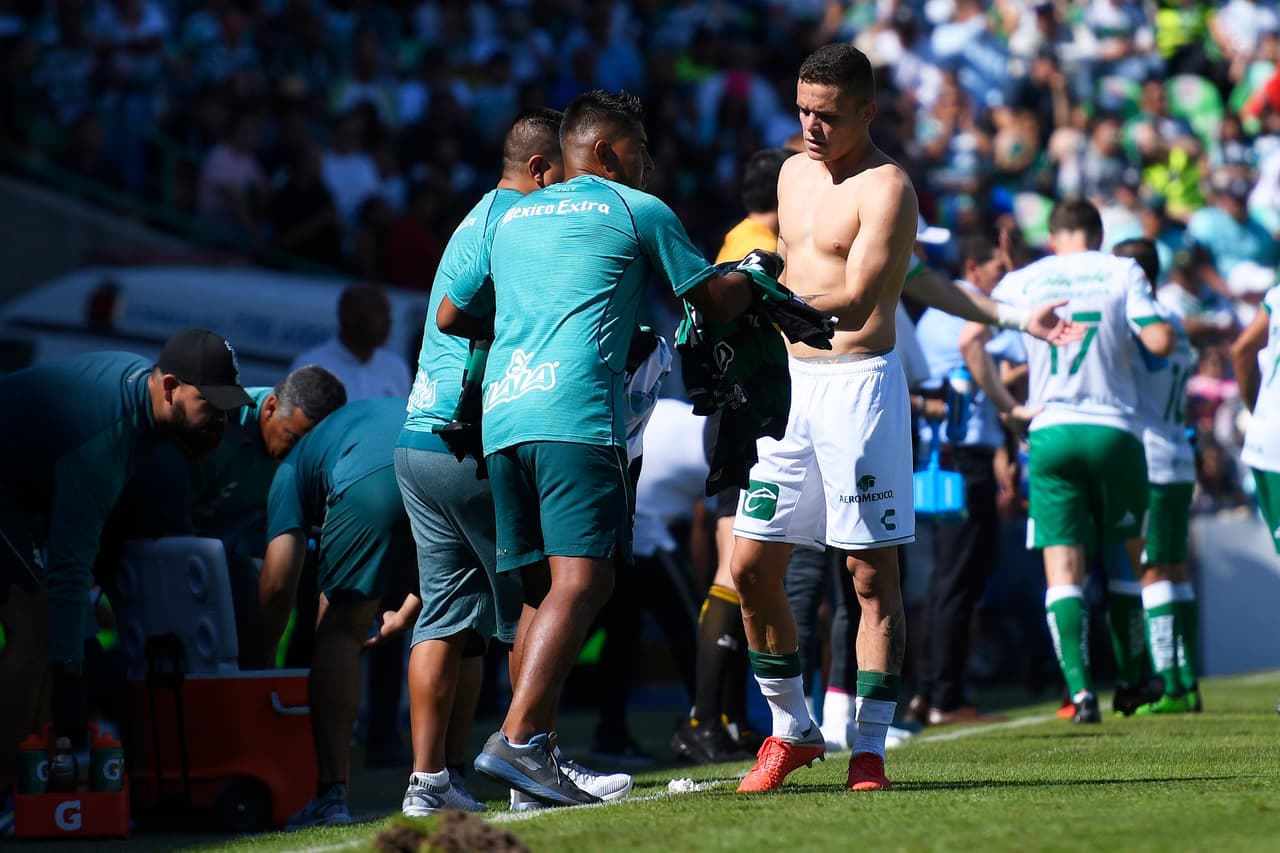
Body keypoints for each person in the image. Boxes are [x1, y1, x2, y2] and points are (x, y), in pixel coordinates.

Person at [728, 44, 1078, 796]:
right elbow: (890, 274)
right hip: (791, 389)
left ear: (866, 111)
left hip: (861, 389)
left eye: (826, 114)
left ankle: (869, 752)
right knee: (750, 568)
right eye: (801, 110)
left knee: (867, 577)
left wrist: (754, 302)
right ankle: (790, 731)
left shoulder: (889, 186)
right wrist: (758, 281)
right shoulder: (791, 172)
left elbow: (861, 295)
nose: (810, 126)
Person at [438, 89, 758, 807]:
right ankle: (519, 740)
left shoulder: (512, 216)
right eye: (640, 148)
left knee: (540, 594)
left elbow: (452, 313)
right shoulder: (638, 209)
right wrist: (762, 278)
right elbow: (715, 302)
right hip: (577, 416)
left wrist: (535, 306)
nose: (650, 161)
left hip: (505, 418)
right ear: (607, 151)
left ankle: (533, 764)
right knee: (586, 581)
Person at [396, 107, 629, 817]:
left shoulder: (477, 215)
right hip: (474, 434)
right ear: (539, 169)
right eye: (563, 171)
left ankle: (427, 781)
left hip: (417, 436)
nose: (572, 190)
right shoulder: (519, 218)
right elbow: (454, 317)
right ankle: (531, 763)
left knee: (443, 614)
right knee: (544, 594)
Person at [0, 329, 252, 789]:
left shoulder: (145, 404)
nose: (220, 418)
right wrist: (72, 679)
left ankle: (29, 780)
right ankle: (6, 787)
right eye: (211, 404)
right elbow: (71, 561)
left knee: (45, 620)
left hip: (22, 489)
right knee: (36, 621)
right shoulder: (110, 434)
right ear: (171, 387)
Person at [959, 198, 1175, 725]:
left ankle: (1078, 695)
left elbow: (971, 341)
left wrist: (1010, 411)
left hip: (1049, 429)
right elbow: (1160, 340)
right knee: (1125, 555)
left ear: (1054, 237)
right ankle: (1130, 680)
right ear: (1097, 236)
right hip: (1114, 429)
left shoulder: (1025, 280)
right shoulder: (1121, 270)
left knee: (1062, 567)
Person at [96, 364, 349, 665]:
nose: (299, 455)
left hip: (219, 553)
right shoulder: (219, 424)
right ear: (270, 408)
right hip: (140, 538)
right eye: (293, 439)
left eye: (312, 448)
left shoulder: (306, 458)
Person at [673, 147, 790, 765]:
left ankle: (724, 716)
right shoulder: (757, 244)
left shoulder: (738, 236)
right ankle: (701, 718)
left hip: (738, 408)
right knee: (734, 568)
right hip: (740, 411)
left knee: (745, 568)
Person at [257, 397, 421, 829]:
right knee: (450, 622)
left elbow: (278, 583)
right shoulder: (369, 415)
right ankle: (443, 779)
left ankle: (330, 795)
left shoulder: (292, 465)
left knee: (338, 633)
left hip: (370, 480)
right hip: (440, 463)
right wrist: (405, 613)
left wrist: (257, 663)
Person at [906, 233, 1017, 727]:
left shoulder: (938, 311)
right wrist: (1007, 393)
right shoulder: (960, 307)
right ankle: (944, 697)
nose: (1001, 279)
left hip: (952, 456)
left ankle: (930, 690)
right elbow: (975, 370)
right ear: (974, 269)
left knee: (949, 579)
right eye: (997, 269)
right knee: (959, 579)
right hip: (960, 457)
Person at [1112, 238, 1201, 715]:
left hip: (1150, 453)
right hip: (1178, 449)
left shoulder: (1140, 322)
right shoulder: (1176, 321)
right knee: (1176, 565)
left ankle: (1167, 684)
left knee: (1152, 567)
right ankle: (1187, 681)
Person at [289, 282, 411, 401]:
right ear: (348, 316)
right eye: (378, 312)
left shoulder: (397, 369)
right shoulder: (310, 367)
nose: (388, 321)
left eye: (388, 313)